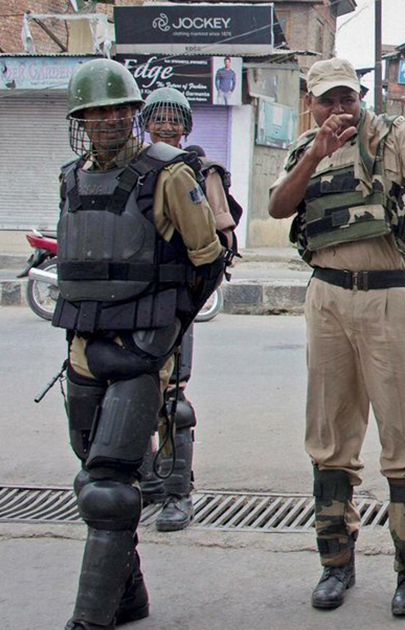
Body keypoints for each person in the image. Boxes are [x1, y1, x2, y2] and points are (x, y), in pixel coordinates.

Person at [267, 57, 405, 616]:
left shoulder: (395, 136)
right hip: (327, 298)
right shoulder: (306, 147)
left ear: (360, 97)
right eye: (327, 99)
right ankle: (335, 565)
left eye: (347, 97)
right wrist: (315, 156)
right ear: (310, 103)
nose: (339, 108)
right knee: (329, 439)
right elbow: (278, 206)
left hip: (390, 295)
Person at [55, 58, 226, 629]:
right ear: (81, 121)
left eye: (117, 111)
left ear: (133, 114)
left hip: (140, 350)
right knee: (92, 479)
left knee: (108, 488)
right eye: (94, 113)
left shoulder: (169, 173)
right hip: (83, 348)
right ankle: (128, 595)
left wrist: (167, 332)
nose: (106, 121)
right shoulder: (71, 178)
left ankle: (91, 618)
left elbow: (208, 261)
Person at [134, 87, 243, 531]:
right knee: (128, 392)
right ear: (145, 124)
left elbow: (220, 242)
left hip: (171, 305)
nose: (166, 126)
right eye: (158, 118)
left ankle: (178, 492)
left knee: (172, 399)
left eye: (174, 119)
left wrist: (187, 299)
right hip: (127, 306)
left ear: (186, 126)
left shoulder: (200, 171)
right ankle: (146, 483)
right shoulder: (131, 169)